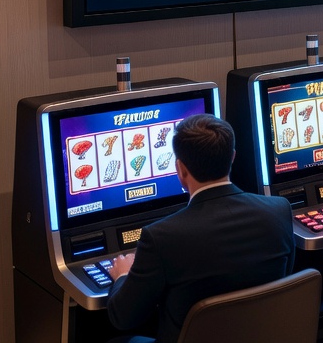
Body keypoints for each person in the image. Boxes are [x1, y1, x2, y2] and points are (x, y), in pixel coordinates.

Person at [106, 115, 294, 343]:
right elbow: (283, 280)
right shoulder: (279, 210)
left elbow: (122, 317)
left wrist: (123, 275)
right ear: (232, 157)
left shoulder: (161, 237)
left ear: (180, 170)